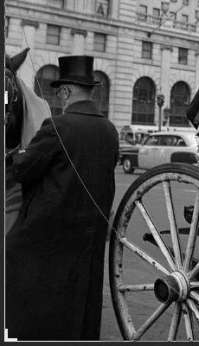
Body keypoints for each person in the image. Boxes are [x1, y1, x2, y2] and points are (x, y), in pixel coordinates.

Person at [6, 56, 119, 340]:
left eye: (59, 93)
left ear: (67, 92)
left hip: (50, 229)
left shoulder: (58, 126)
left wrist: (14, 156)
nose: (58, 99)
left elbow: (24, 170)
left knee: (10, 254)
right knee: (81, 290)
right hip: (90, 230)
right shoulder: (110, 130)